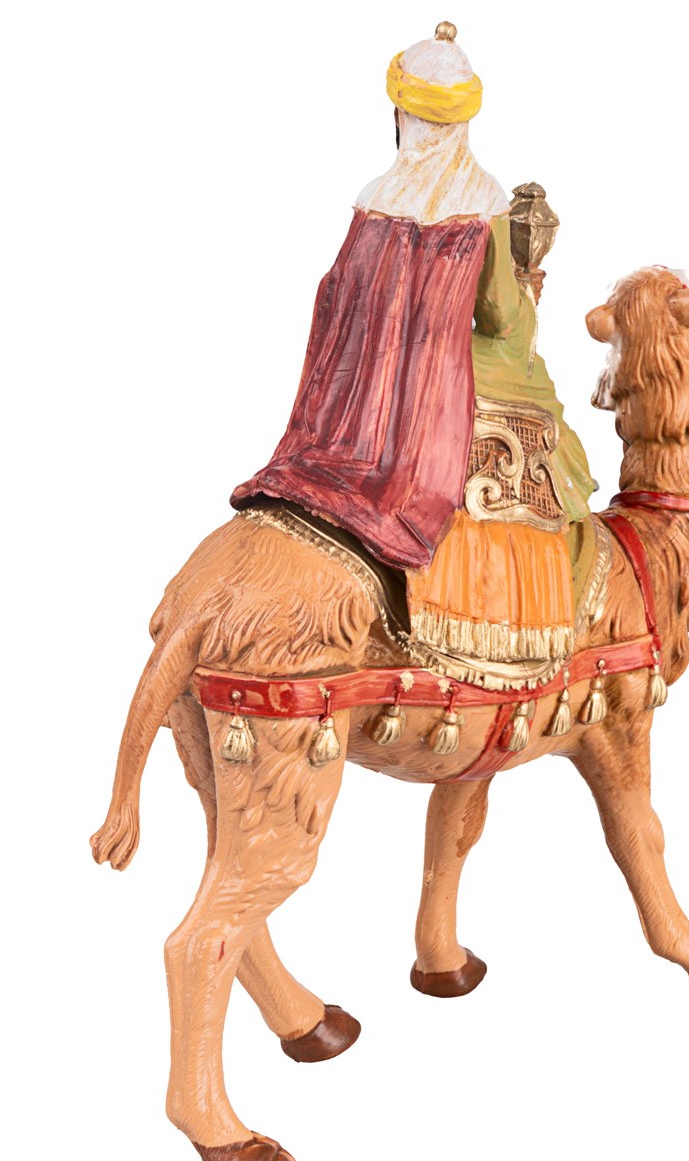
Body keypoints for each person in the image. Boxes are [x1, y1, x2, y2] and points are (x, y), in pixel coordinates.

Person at [232, 23, 596, 681]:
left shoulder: (376, 196)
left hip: (358, 387)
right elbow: (498, 315)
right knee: (540, 401)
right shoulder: (481, 199)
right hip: (437, 373)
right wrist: (524, 289)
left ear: (402, 116)